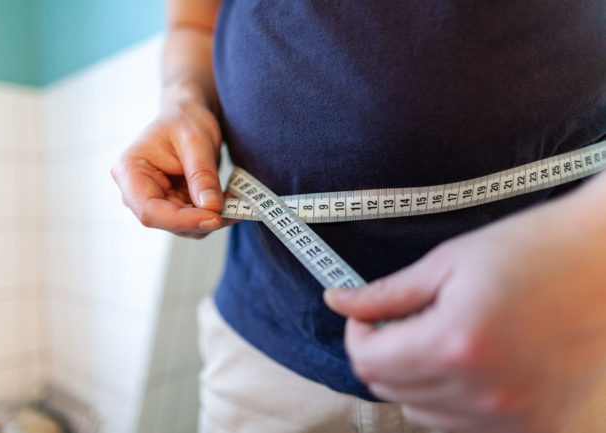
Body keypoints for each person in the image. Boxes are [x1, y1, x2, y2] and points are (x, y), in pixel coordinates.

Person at [111, 1, 606, 432]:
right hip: (265, 347)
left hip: (545, 341)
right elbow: (193, 23)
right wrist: (182, 98)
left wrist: (590, 258)